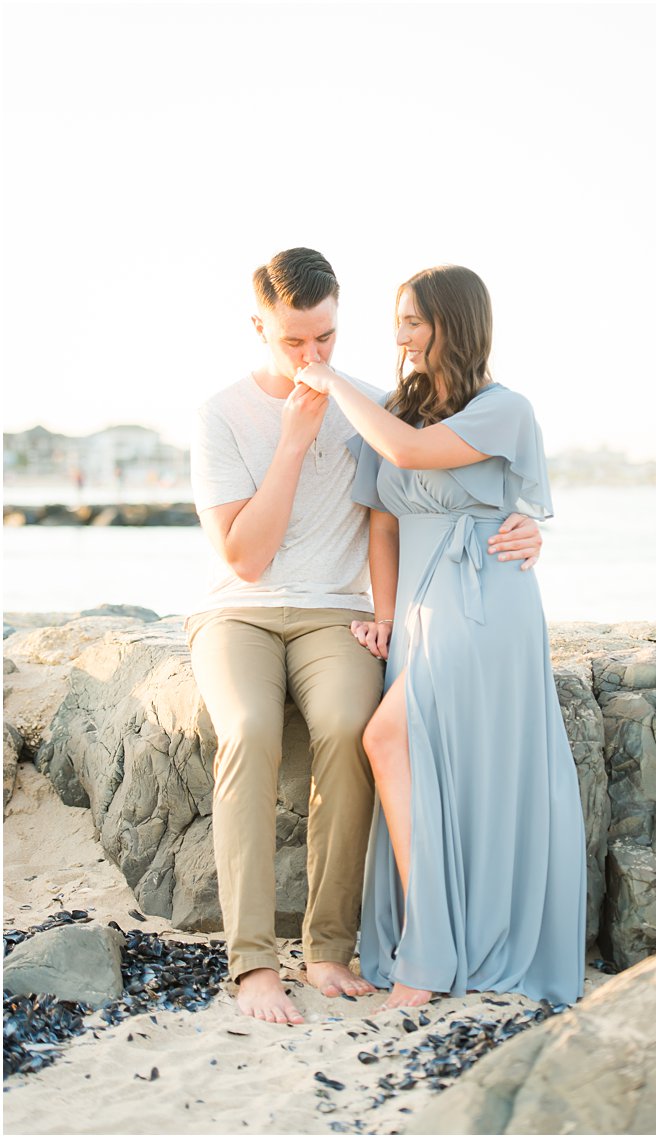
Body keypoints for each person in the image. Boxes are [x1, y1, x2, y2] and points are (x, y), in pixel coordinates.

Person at [188, 248, 542, 1025]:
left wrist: (527, 527)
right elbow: (244, 561)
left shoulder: (380, 408)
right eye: (294, 343)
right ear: (259, 328)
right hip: (237, 613)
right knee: (247, 729)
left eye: (327, 339)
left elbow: (441, 485)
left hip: (335, 611)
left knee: (351, 727)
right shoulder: (222, 413)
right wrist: (291, 440)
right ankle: (252, 963)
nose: (314, 357)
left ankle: (326, 949)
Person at [295, 264, 586, 1010]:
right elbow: (382, 524)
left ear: (455, 324)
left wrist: (331, 382)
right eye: (398, 320)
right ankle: (434, 940)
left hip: (484, 598)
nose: (402, 335)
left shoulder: (502, 409)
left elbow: (412, 456)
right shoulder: (394, 410)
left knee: (387, 738)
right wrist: (385, 618)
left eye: (416, 321)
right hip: (420, 614)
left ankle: (429, 954)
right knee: (418, 757)